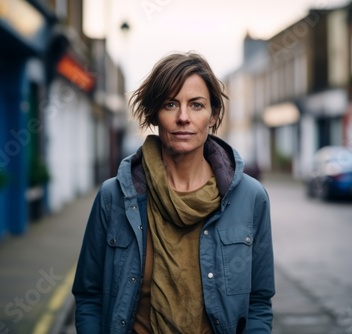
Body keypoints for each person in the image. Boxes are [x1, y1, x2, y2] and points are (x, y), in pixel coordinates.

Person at [72, 51, 275, 333]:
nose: (183, 117)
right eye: (170, 104)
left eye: (196, 105)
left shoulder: (251, 198)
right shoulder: (114, 197)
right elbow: (89, 295)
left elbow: (258, 302)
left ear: (213, 114)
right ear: (155, 114)